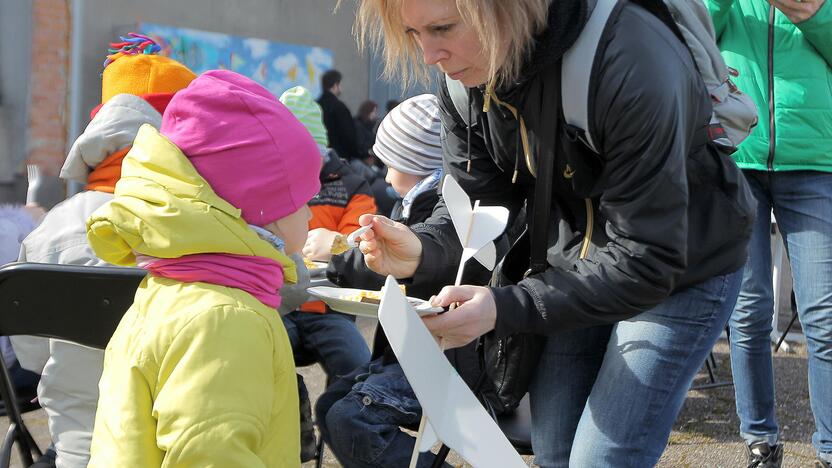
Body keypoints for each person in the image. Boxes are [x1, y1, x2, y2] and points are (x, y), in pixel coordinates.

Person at [347, 0, 756, 466]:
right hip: (575, 260)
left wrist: (505, 306)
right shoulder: (465, 79)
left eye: (442, 28)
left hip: (683, 262)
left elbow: (648, 256)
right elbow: (479, 203)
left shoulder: (629, 55)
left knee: (601, 458)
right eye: (414, 33)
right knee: (555, 450)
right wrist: (422, 248)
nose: (428, 55)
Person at [86, 70, 322, 467]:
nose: (312, 213)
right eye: (302, 199)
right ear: (265, 212)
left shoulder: (174, 287)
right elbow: (211, 455)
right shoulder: (226, 318)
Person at [10, 34, 195, 468]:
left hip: (78, 449)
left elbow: (32, 353)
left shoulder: (54, 226)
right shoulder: (211, 226)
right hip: (180, 449)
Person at [316, 94, 480, 468]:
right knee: (329, 405)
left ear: (419, 164)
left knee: (350, 417)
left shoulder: (442, 211)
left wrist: (340, 251)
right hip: (405, 351)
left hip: (444, 357)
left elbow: (406, 270)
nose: (385, 174)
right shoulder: (406, 205)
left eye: (392, 164)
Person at [706, 0, 832, 466]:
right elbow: (694, 31)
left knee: (824, 315)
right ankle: (760, 439)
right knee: (749, 308)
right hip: (738, 153)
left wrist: (813, 12)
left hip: (816, 160)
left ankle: (830, 448)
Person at [278, 85, 375, 461]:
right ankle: (293, 419)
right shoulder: (270, 180)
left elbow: (360, 239)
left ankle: (340, 427)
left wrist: (336, 243)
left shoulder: (350, 184)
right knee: (262, 352)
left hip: (327, 308)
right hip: (279, 305)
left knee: (356, 364)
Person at [318, 69, 360, 161]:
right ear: (335, 85)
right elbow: (349, 135)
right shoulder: (339, 107)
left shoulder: (315, 105)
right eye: (340, 84)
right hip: (339, 158)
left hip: (320, 157)